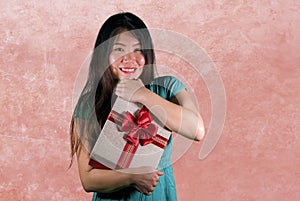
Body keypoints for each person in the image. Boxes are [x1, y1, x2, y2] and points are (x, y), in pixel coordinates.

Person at [70, 12, 205, 201]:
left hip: (158, 195)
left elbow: (197, 130)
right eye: (118, 49)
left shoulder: (168, 88)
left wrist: (141, 94)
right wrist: (132, 176)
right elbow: (88, 178)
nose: (129, 58)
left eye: (138, 49)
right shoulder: (90, 103)